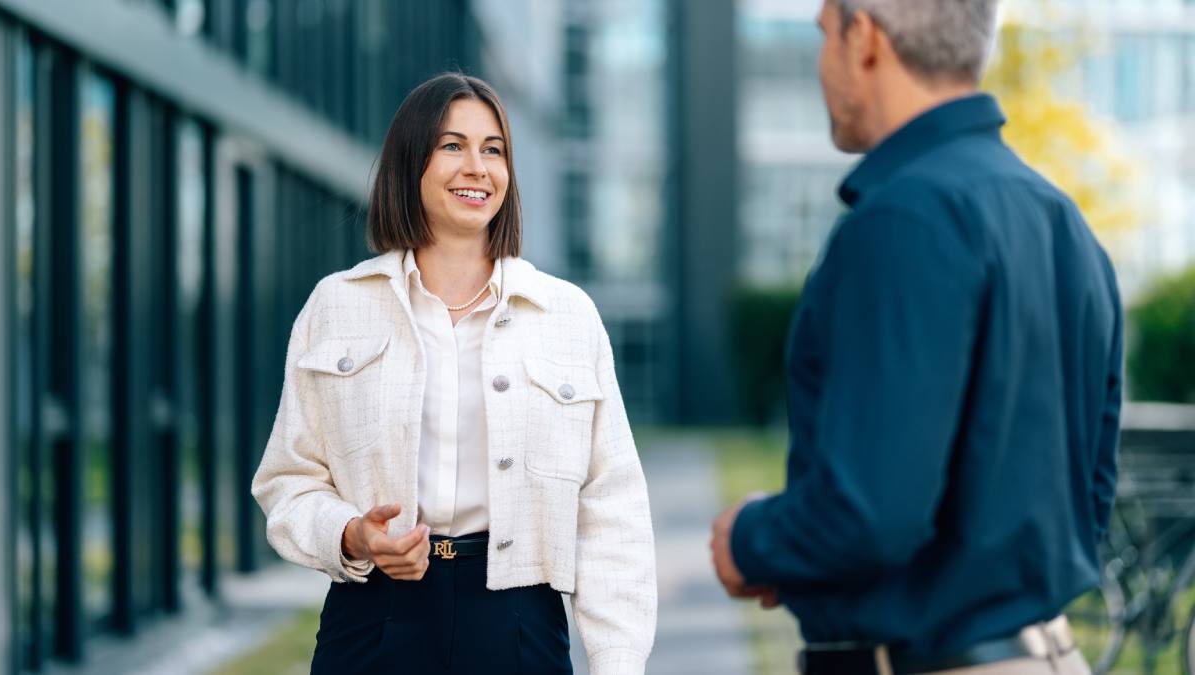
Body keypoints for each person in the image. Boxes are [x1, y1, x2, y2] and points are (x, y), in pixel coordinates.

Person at [709, 1, 1122, 673]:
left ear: (864, 37)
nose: (820, 64)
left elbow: (870, 514)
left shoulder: (902, 217)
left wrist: (751, 537)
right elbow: (1085, 496)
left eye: (822, 36)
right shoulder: (1062, 220)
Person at [252, 73, 656, 675]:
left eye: (493, 149)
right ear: (410, 163)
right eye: (452, 146)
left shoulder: (567, 316)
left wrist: (618, 662)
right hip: (374, 618)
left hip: (519, 622)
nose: (478, 167)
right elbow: (288, 481)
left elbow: (610, 507)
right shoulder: (337, 306)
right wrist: (354, 536)